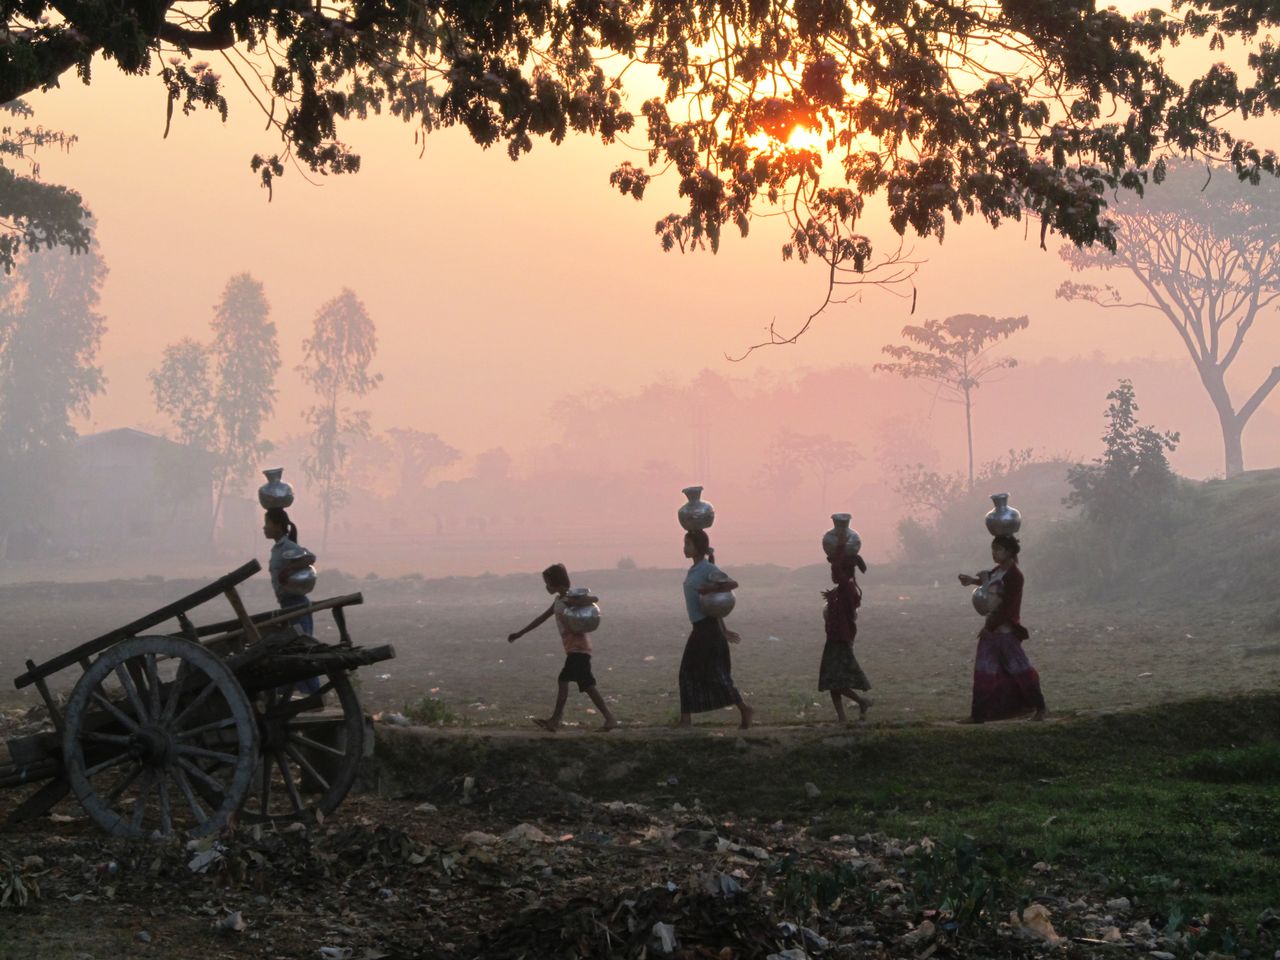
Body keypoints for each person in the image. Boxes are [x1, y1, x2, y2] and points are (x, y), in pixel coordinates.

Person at [507, 563, 618, 733]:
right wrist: (520, 633)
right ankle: (606, 719)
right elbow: (541, 618)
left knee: (566, 680)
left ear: (556, 583)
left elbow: (594, 599)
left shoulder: (568, 598)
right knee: (586, 684)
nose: (546, 587)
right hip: (574, 649)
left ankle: (556, 720)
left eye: (548, 583)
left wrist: (573, 601)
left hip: (579, 649)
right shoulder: (558, 601)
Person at [957, 533, 1046, 723]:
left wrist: (989, 627)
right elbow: (987, 582)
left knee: (1021, 671)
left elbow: (1007, 608)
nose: (994, 553)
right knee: (983, 673)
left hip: (1005, 632)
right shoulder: (998, 571)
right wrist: (971, 581)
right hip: (992, 630)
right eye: (993, 549)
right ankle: (978, 715)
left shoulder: (1015, 576)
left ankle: (1040, 707)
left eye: (998, 549)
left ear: (1009, 552)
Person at [677, 529, 754, 729]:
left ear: (698, 547)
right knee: (697, 673)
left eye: (688, 544)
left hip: (707, 630)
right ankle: (687, 719)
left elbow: (732, 583)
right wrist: (724, 629)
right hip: (702, 628)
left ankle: (744, 709)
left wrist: (710, 588)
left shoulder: (706, 568)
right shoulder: (694, 570)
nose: (685, 548)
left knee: (708, 674)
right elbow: (712, 606)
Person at [819, 550, 872, 723]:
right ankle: (842, 717)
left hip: (840, 639)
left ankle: (861, 702)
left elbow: (836, 570)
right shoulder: (842, 589)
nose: (832, 574)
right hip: (833, 638)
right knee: (831, 680)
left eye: (836, 571)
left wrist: (840, 543)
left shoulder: (847, 588)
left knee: (835, 680)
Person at [263, 507, 316, 638]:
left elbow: (310, 557)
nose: (264, 527)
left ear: (278, 526)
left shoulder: (287, 545)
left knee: (304, 641)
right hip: (286, 603)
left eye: (267, 523)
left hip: (296, 603)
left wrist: (289, 569)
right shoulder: (276, 548)